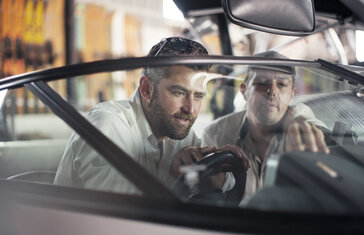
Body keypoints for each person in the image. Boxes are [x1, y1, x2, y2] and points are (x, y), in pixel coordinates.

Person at [54, 37, 246, 194]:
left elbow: (216, 188)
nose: (190, 108)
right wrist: (173, 179)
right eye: (178, 92)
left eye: (198, 96)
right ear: (146, 88)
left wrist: (222, 171)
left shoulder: (179, 131)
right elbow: (120, 218)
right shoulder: (107, 125)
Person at [197, 51, 330, 202]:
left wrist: (301, 123)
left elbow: (319, 131)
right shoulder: (215, 134)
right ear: (244, 91)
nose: (272, 91)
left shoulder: (301, 123)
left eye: (281, 84)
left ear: (292, 95)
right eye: (261, 82)